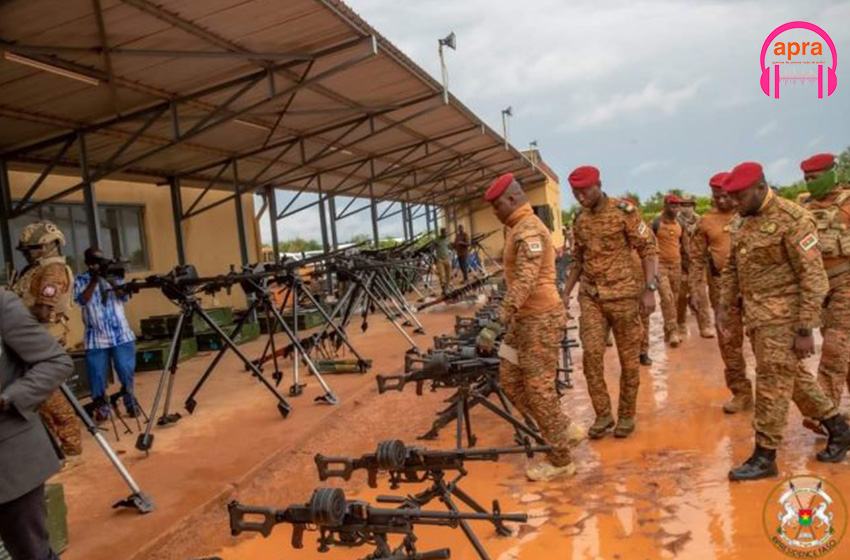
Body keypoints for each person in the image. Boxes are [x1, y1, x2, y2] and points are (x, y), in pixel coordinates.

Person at [718, 161, 850, 481]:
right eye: (730, 196)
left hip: (785, 318)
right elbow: (734, 267)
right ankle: (839, 429)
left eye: (739, 195)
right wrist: (725, 307)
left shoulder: (793, 219)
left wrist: (805, 327)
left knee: (771, 384)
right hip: (758, 317)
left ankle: (765, 455)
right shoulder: (743, 220)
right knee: (796, 381)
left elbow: (814, 277)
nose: (733, 202)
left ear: (761, 188)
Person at [476, 172, 583, 482]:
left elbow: (525, 281)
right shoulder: (515, 228)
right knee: (509, 377)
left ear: (512, 200)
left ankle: (561, 459)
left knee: (538, 390)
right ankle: (562, 427)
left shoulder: (528, 230)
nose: (494, 213)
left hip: (539, 320)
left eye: (496, 207)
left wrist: (496, 323)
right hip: (522, 322)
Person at [564, 166, 658, 439]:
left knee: (629, 361)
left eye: (585, 191)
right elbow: (577, 259)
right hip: (591, 297)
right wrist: (566, 292)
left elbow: (648, 248)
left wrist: (650, 288)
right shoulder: (579, 219)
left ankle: (626, 415)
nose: (580, 197)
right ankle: (603, 415)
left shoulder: (623, 211)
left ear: (599, 185)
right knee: (591, 357)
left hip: (624, 296)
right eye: (575, 193)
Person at [0, 290, 74, 560]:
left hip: (9, 462)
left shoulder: (2, 306)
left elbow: (56, 362)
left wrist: (8, 398)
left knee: (30, 552)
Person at [10, 220, 82, 458]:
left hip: (43, 339)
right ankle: (57, 451)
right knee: (40, 401)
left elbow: (43, 310)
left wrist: (11, 313)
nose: (26, 254)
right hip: (31, 339)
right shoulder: (37, 269)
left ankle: (72, 450)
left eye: (29, 249)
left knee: (50, 397)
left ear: (46, 246)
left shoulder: (52, 271)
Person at [690, 173, 753, 413]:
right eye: (718, 197)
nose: (723, 201)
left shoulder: (750, 215)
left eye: (727, 196)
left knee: (764, 342)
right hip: (722, 289)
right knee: (729, 342)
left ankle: (772, 394)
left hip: (754, 287)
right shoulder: (705, 222)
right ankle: (741, 392)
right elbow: (695, 260)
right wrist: (696, 291)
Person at [798, 153, 850, 422]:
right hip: (819, 288)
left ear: (831, 174)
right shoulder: (803, 208)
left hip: (846, 284)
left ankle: (822, 416)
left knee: (834, 347)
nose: (809, 182)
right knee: (843, 349)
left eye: (815, 177)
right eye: (806, 178)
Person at [73, 248, 138, 421]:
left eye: (100, 261)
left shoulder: (115, 275)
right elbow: (81, 300)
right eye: (95, 262)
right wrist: (94, 280)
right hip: (96, 338)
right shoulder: (80, 279)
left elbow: (124, 297)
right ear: (88, 264)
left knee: (126, 371)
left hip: (121, 335)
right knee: (97, 376)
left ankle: (131, 402)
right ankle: (101, 408)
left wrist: (111, 280)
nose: (98, 265)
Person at [677, 193, 714, 338]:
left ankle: (704, 326)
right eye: (684, 205)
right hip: (681, 263)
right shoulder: (675, 221)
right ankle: (680, 324)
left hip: (698, 264)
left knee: (701, 294)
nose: (687, 208)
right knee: (681, 296)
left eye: (689, 205)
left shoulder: (701, 220)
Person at [652, 195, 684, 347]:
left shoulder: (680, 223)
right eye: (672, 205)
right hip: (661, 266)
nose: (676, 209)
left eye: (678, 206)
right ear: (665, 205)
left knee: (675, 299)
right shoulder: (655, 222)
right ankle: (673, 331)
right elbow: (648, 245)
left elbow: (685, 246)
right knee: (667, 297)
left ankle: (668, 329)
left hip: (676, 265)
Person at [433, 228, 452, 295]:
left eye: (447, 232)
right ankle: (443, 288)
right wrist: (435, 257)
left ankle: (447, 288)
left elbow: (450, 247)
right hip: (440, 260)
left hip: (447, 259)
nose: (446, 234)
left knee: (449, 275)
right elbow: (432, 249)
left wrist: (450, 255)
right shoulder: (437, 240)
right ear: (441, 233)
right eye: (445, 232)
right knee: (441, 275)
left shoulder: (447, 240)